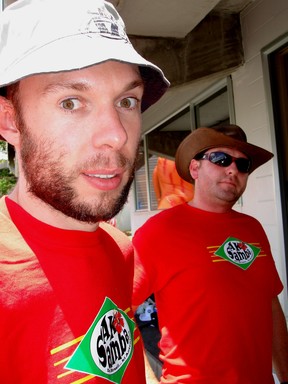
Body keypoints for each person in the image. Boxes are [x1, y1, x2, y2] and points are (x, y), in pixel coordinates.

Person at [0, 0, 169, 382]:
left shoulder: (119, 247)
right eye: (72, 102)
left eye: (127, 101)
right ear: (11, 122)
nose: (117, 135)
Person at [132, 124, 288, 383]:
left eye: (243, 164)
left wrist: (284, 375)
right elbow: (118, 312)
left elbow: (270, 303)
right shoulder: (159, 231)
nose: (232, 169)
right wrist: (146, 379)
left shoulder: (253, 229)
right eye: (221, 159)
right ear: (195, 168)